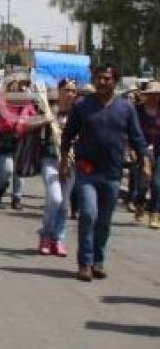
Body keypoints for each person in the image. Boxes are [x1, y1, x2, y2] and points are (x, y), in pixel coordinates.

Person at [61, 64, 149, 282]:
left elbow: (137, 138)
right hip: (86, 169)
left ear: (115, 82)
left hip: (112, 171)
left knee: (104, 220)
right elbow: (68, 136)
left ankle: (98, 261)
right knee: (89, 214)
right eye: (99, 78)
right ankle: (85, 263)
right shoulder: (82, 106)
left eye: (107, 79)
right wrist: (64, 161)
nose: (102, 82)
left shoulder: (125, 108)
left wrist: (145, 162)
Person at [22, 80, 76, 257]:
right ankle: (45, 234)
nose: (70, 94)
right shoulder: (46, 109)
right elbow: (25, 124)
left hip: (71, 162)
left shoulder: (78, 114)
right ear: (59, 92)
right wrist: (46, 120)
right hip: (51, 159)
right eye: (67, 90)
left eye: (73, 91)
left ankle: (57, 238)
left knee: (65, 204)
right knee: (55, 198)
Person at [0, 79, 28, 210]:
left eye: (16, 85)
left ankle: (17, 198)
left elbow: (31, 112)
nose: (13, 87)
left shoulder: (23, 99)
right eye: (10, 85)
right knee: (7, 169)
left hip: (21, 137)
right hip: (4, 137)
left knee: (19, 170)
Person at [136, 81, 160, 229]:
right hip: (142, 150)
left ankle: (155, 214)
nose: (154, 97)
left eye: (156, 95)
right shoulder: (137, 111)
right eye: (151, 94)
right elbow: (132, 131)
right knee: (143, 184)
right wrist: (133, 149)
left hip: (158, 151)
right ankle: (140, 202)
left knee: (157, 183)